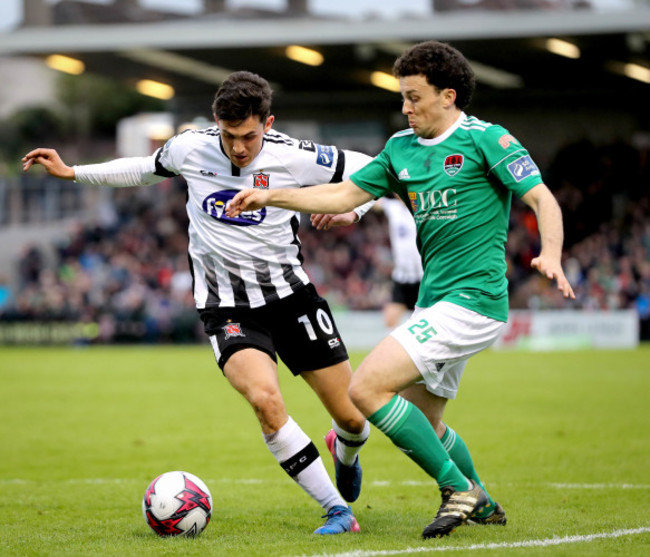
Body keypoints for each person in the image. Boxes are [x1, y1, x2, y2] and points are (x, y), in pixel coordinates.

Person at [227, 41, 576, 539]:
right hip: (436, 302)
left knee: (365, 389)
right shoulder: (399, 149)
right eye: (403, 98)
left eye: (414, 97)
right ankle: (483, 502)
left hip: (473, 300)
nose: (406, 108)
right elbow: (346, 193)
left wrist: (552, 253)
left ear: (448, 96)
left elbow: (543, 200)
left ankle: (458, 490)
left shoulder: (488, 141)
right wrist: (272, 194)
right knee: (423, 421)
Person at [22, 71, 372, 535]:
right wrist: (73, 172)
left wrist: (355, 208)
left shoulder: (296, 154)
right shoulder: (190, 148)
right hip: (226, 308)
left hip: (292, 298)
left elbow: (374, 168)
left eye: (250, 136)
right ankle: (337, 511)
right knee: (266, 402)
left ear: (269, 122)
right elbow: (142, 169)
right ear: (215, 123)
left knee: (353, 416)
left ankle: (344, 448)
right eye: (230, 136)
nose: (240, 147)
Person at [312, 194, 423, 328]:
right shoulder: (393, 207)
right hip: (402, 276)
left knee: (427, 318)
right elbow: (370, 199)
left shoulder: (422, 209)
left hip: (422, 276)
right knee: (390, 320)